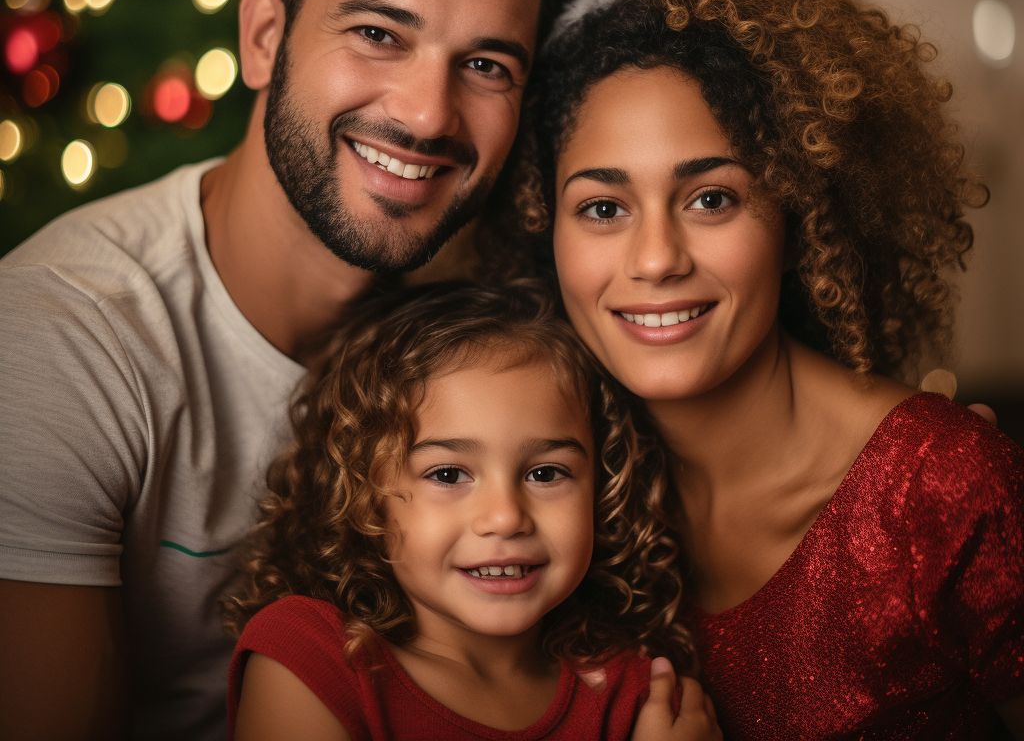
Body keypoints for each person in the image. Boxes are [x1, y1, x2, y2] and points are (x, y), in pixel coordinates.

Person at [0, 0, 600, 741]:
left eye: (487, 65)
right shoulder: (63, 340)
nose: (426, 114)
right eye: (378, 34)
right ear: (265, 35)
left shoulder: (509, 323)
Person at [515, 0, 1024, 738]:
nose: (653, 259)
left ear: (800, 217)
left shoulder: (941, 493)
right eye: (603, 208)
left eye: (711, 198)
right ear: (548, 230)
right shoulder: (559, 499)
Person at [223, 279, 719, 741]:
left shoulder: (637, 693)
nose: (505, 518)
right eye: (448, 475)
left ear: (605, 489)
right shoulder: (314, 660)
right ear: (364, 493)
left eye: (545, 474)